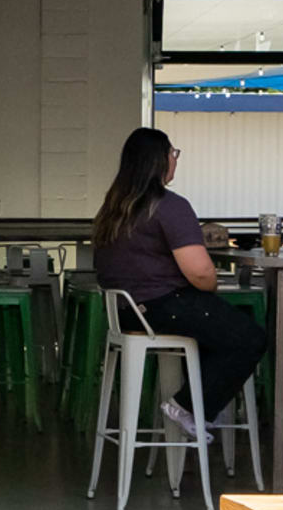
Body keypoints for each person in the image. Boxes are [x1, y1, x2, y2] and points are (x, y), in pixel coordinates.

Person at [90, 125, 269, 447]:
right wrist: (211, 284)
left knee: (215, 334)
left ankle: (195, 408)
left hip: (126, 314)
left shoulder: (114, 206)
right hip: (162, 307)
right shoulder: (169, 205)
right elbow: (201, 274)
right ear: (159, 161)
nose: (176, 160)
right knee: (250, 337)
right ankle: (185, 406)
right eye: (173, 154)